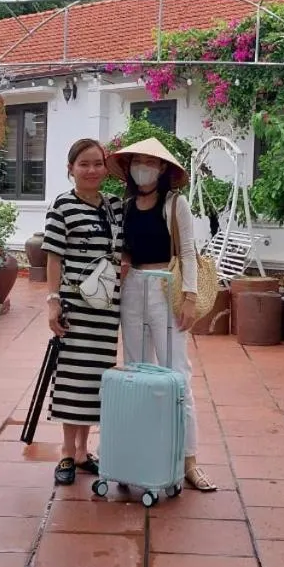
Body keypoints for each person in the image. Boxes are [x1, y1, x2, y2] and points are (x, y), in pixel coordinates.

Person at [107, 137, 217, 492]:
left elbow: (187, 251)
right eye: (137, 161)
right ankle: (141, 456)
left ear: (163, 169)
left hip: (166, 287)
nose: (143, 168)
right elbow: (124, 249)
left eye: (150, 162)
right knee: (137, 373)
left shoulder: (175, 204)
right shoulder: (125, 205)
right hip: (133, 289)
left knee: (176, 375)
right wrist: (123, 264)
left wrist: (189, 297)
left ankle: (188, 460)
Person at [41, 138, 123, 486]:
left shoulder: (116, 206)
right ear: (70, 169)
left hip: (106, 308)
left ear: (106, 168)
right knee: (72, 378)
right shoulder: (62, 206)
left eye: (98, 163)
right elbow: (53, 257)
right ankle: (65, 451)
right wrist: (53, 301)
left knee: (95, 379)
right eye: (83, 164)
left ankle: (83, 451)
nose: (91, 170)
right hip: (76, 305)